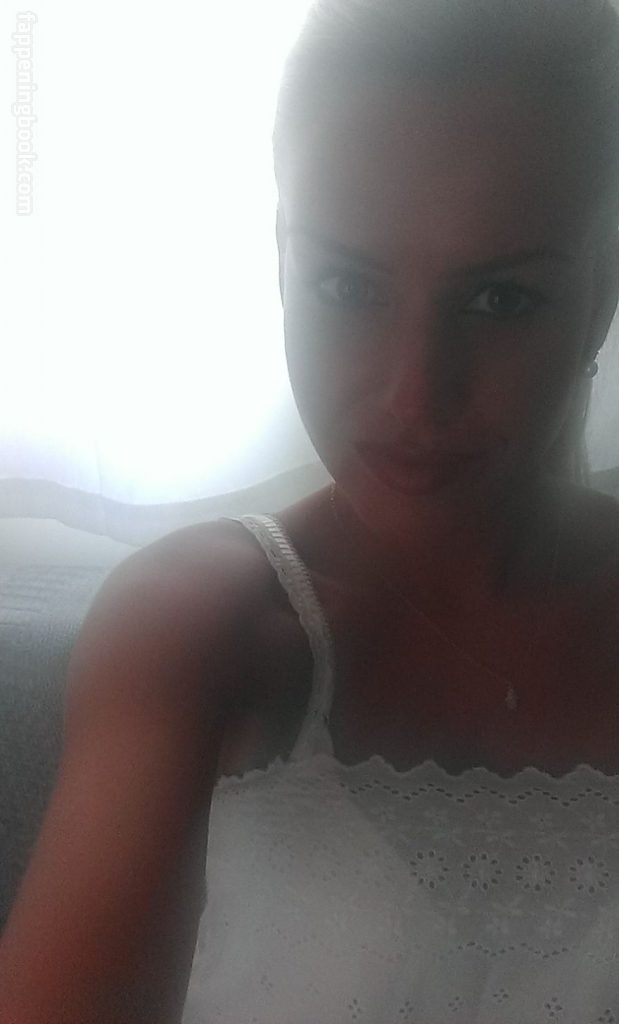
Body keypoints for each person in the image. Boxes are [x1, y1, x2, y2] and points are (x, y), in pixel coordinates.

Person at [2, 0, 619, 1021]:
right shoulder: (202, 628)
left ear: (601, 293)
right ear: (281, 259)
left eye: (500, 299)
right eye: (346, 284)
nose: (414, 394)